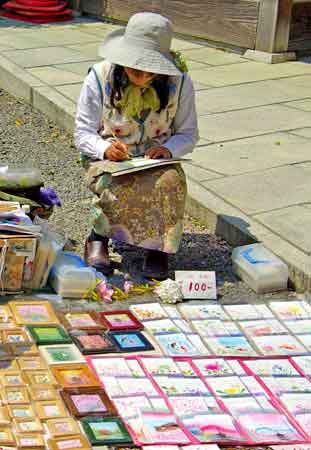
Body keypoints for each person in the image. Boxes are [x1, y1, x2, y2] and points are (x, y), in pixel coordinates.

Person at [75, 12, 199, 279]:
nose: (142, 77)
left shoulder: (180, 81)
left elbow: (189, 134)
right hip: (109, 155)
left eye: (150, 71)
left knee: (170, 182)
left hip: (155, 157)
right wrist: (104, 149)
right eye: (134, 69)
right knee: (115, 183)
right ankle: (98, 238)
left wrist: (168, 150)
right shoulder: (99, 76)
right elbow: (83, 133)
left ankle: (158, 249)